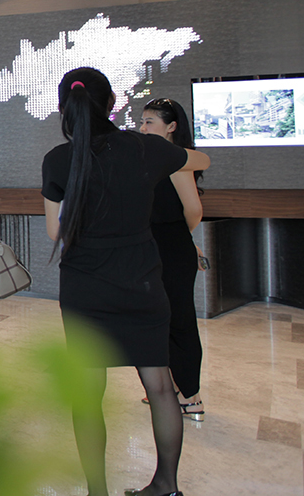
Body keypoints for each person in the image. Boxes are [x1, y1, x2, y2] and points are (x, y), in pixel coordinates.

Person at [41, 68, 210, 496]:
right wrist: (171, 149)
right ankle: (166, 486)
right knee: (160, 386)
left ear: (64, 108)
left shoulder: (58, 159)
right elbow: (202, 161)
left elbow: (55, 231)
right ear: (112, 104)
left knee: (87, 395)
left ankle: (96, 490)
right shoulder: (145, 148)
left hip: (85, 287)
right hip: (142, 281)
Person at [138, 98, 206, 422]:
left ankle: (191, 396)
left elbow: (193, 211)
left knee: (180, 321)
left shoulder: (177, 161)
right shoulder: (150, 160)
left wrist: (180, 237)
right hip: (152, 248)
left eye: (149, 122)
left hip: (173, 249)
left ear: (171, 127)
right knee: (158, 322)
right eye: (142, 121)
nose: (142, 128)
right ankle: (169, 389)